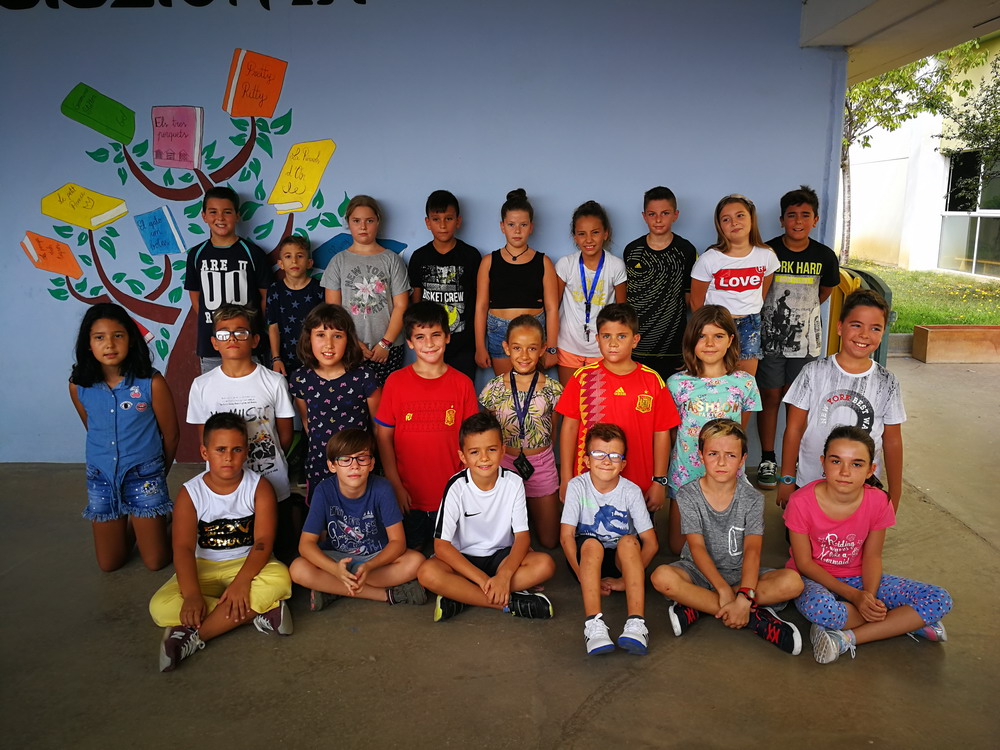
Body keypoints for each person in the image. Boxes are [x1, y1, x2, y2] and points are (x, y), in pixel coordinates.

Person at [785, 425, 952, 664]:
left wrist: (869, 599)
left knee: (939, 598)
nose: (845, 472)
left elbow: (872, 557)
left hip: (859, 578)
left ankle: (846, 638)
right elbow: (804, 563)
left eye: (856, 464)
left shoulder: (879, 501)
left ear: (870, 470)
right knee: (821, 609)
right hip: (813, 578)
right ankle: (904, 621)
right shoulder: (800, 502)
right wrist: (855, 597)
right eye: (836, 461)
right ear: (823, 463)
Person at [150, 412, 293, 672]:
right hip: (204, 566)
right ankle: (258, 613)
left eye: (237, 449)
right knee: (160, 607)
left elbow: (263, 542)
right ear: (205, 452)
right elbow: (182, 548)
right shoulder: (190, 493)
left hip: (248, 564)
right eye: (220, 450)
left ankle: (194, 636)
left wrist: (241, 583)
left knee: (281, 579)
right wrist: (192, 595)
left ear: (246, 452)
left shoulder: (259, 487)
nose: (228, 457)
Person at [651, 419, 804, 655]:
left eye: (731, 455)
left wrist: (745, 592)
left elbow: (753, 549)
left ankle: (699, 605)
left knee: (793, 582)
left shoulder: (752, 498)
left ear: (742, 460)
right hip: (697, 571)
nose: (721, 462)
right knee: (662, 577)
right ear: (701, 456)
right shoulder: (688, 494)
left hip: (741, 574)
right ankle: (753, 617)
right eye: (713, 454)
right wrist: (723, 590)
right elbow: (696, 547)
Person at [68, 303, 178, 572]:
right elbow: (92, 426)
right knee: (110, 564)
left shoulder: (151, 382)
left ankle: (174, 520)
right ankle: (140, 524)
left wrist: (157, 475)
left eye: (118, 335)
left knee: (155, 562)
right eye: (99, 337)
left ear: (131, 339)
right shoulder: (78, 385)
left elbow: (172, 435)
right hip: (102, 476)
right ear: (88, 344)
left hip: (144, 475)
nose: (109, 344)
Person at [417, 412, 556, 621]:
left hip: (501, 557)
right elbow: (442, 546)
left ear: (502, 450)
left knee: (545, 565)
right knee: (427, 573)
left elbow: (522, 537)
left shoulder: (514, 482)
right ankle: (508, 603)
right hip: (463, 560)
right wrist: (483, 580)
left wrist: (505, 575)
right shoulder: (456, 487)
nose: (484, 458)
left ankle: (462, 596)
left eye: (491, 449)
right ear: (463, 457)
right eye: (474, 452)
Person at [777, 289, 905, 511]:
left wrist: (895, 492)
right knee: (803, 532)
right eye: (856, 325)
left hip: (862, 488)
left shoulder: (887, 382)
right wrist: (787, 478)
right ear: (839, 327)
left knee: (857, 533)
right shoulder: (813, 372)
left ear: (883, 332)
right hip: (810, 483)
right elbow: (794, 428)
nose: (864, 334)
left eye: (875, 328)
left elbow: (893, 441)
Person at [186, 305, 296, 553]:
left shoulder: (274, 381)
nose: (232, 338)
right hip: (225, 488)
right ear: (214, 343)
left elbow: (285, 436)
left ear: (255, 340)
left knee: (281, 550)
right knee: (234, 551)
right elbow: (205, 440)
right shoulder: (202, 385)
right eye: (224, 333)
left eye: (241, 332)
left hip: (272, 479)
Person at [557, 303, 680, 518]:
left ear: (635, 340)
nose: (613, 343)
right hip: (590, 485)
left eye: (621, 336)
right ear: (597, 339)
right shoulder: (583, 378)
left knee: (637, 538)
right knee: (589, 537)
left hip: (640, 486)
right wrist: (566, 478)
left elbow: (661, 433)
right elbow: (569, 428)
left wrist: (659, 481)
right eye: (606, 336)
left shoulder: (652, 381)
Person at [375, 301, 479, 550]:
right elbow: (383, 437)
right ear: (410, 342)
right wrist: (395, 485)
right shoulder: (395, 382)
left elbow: (472, 442)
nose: (429, 343)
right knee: (411, 556)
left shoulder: (462, 384)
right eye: (420, 337)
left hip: (453, 496)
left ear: (447, 337)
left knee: (452, 557)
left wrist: (467, 490)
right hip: (409, 498)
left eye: (436, 335)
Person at [756, 186, 840, 489]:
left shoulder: (824, 256)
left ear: (815, 220)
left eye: (805, 215)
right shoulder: (766, 253)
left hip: (806, 343)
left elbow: (824, 292)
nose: (798, 221)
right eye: (792, 215)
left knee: (798, 401)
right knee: (770, 397)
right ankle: (768, 458)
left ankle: (793, 462)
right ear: (782, 220)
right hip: (770, 339)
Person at [289, 428, 426, 610]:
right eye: (345, 460)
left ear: (371, 463)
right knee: (298, 569)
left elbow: (398, 542)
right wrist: (334, 569)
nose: (354, 466)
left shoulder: (382, 488)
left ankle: (333, 588)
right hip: (338, 558)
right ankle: (387, 595)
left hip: (375, 558)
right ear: (332, 465)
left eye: (362, 458)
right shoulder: (323, 490)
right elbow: (306, 544)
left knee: (416, 562)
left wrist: (369, 566)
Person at [666, 306, 761, 554]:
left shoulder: (744, 383)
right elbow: (672, 432)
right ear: (691, 340)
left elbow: (739, 430)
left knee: (725, 549)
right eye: (702, 336)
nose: (709, 344)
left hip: (726, 475)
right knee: (678, 547)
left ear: (730, 340)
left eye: (718, 336)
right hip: (687, 474)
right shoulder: (677, 384)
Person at [561, 424, 658, 655]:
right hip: (585, 560)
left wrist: (625, 580)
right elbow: (566, 537)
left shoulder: (631, 491)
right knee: (591, 544)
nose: (606, 461)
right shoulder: (577, 486)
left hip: (621, 562)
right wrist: (581, 576)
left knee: (629, 541)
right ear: (587, 460)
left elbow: (651, 543)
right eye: (598, 454)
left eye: (615, 455)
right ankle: (593, 625)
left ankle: (636, 624)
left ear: (623, 464)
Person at [479, 315, 564, 548]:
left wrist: (540, 452)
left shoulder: (553, 389)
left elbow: (553, 431)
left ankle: (530, 514)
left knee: (550, 541)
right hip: (504, 464)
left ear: (542, 349)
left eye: (532, 348)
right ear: (506, 348)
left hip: (541, 464)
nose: (524, 356)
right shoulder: (494, 388)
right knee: (500, 540)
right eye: (517, 348)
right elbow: (488, 432)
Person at [289, 304, 380, 502]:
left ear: (349, 339)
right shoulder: (301, 378)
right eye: (320, 335)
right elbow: (307, 422)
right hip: (320, 464)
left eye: (337, 335)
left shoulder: (364, 377)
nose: (329, 344)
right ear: (308, 338)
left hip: (359, 466)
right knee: (322, 516)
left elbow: (378, 426)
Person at [321, 195, 410, 387]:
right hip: (349, 346)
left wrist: (385, 343)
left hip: (389, 348)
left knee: (386, 401)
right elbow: (333, 310)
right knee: (352, 400)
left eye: (369, 221)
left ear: (378, 221)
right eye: (356, 221)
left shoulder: (392, 260)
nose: (363, 226)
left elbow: (401, 305)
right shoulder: (338, 261)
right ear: (348, 223)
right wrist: (353, 342)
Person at [184, 186, 273, 373]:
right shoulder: (196, 254)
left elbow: (265, 296)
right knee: (215, 389)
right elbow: (195, 296)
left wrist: (252, 323)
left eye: (227, 212)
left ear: (237, 216)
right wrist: (216, 322)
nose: (220, 218)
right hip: (212, 343)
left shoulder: (253, 253)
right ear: (204, 216)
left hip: (247, 341)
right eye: (213, 212)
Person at [690, 194, 780, 377]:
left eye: (740, 215)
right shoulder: (709, 259)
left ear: (751, 219)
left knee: (745, 382)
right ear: (719, 226)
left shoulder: (767, 255)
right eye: (726, 219)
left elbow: (762, 292)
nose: (734, 222)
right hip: (716, 325)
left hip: (750, 324)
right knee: (715, 381)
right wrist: (707, 330)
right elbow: (696, 301)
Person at [474, 188, 560, 375]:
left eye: (523, 224)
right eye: (511, 224)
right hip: (499, 331)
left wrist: (552, 348)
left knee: (533, 390)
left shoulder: (544, 262)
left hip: (535, 331)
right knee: (506, 388)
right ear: (502, 226)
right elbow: (481, 307)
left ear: (531, 227)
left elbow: (552, 308)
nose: (517, 230)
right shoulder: (489, 261)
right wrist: (480, 347)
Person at [623, 186, 697, 381]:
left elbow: (689, 298)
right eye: (652, 214)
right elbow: (627, 296)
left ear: (675, 215)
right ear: (644, 216)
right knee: (639, 396)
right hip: (638, 343)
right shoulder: (632, 250)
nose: (658, 219)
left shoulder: (686, 250)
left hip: (673, 344)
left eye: (665, 213)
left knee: (670, 396)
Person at [408, 189, 482, 381]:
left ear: (458, 221)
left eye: (448, 219)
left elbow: (479, 303)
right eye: (436, 219)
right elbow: (416, 303)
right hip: (429, 345)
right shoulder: (419, 257)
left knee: (461, 393)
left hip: (464, 345)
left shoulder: (471, 256)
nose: (442, 225)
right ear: (427, 222)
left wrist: (480, 346)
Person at [555, 200, 627, 385]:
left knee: (598, 401)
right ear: (575, 237)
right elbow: (552, 307)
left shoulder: (615, 266)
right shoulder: (566, 264)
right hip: (568, 346)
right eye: (582, 234)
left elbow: (622, 313)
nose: (588, 240)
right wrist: (550, 347)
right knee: (570, 399)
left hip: (602, 349)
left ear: (605, 233)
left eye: (595, 232)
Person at [266, 234, 324, 377]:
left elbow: (326, 327)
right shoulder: (275, 290)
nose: (294, 261)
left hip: (315, 359)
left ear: (309, 262)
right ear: (280, 264)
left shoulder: (319, 289)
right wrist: (276, 358)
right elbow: (273, 326)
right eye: (288, 256)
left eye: (300, 256)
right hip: (284, 360)